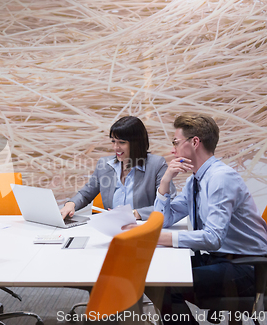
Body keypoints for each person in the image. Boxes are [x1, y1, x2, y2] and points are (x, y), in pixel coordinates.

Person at [155, 114, 267, 323]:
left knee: (164, 286)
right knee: (158, 278)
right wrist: (165, 181)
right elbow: (165, 219)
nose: (173, 150)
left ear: (195, 142)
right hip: (222, 258)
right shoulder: (196, 180)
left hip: (247, 267)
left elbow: (213, 237)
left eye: (176, 143)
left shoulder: (220, 178)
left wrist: (160, 239)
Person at [60, 116, 175, 221]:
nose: (116, 147)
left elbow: (171, 203)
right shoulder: (104, 164)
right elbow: (85, 194)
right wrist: (71, 204)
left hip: (142, 228)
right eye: (113, 141)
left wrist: (136, 213)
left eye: (122, 142)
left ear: (137, 143)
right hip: (111, 228)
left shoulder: (156, 165)